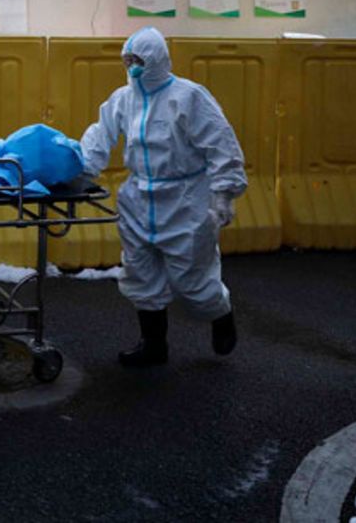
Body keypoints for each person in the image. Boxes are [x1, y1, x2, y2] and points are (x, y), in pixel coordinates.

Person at [80, 27, 246, 368]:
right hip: (138, 199)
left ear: (156, 59)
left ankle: (220, 313)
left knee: (191, 281)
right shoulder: (123, 99)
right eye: (127, 60)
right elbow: (100, 134)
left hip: (185, 200)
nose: (132, 66)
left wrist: (223, 196)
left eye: (138, 60)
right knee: (139, 274)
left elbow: (220, 144)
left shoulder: (188, 96)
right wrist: (82, 171)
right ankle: (154, 345)